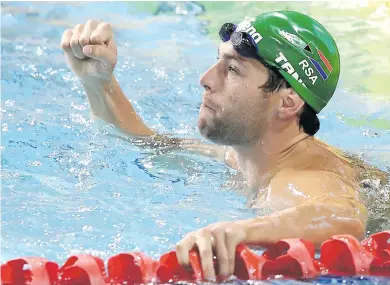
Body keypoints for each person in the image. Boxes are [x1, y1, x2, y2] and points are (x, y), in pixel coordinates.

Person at [61, 11, 368, 281]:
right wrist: (99, 83)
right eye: (218, 61)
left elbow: (343, 218)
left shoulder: (301, 177)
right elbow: (149, 143)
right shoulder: (247, 155)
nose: (206, 79)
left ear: (288, 102)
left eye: (232, 69)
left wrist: (242, 231)